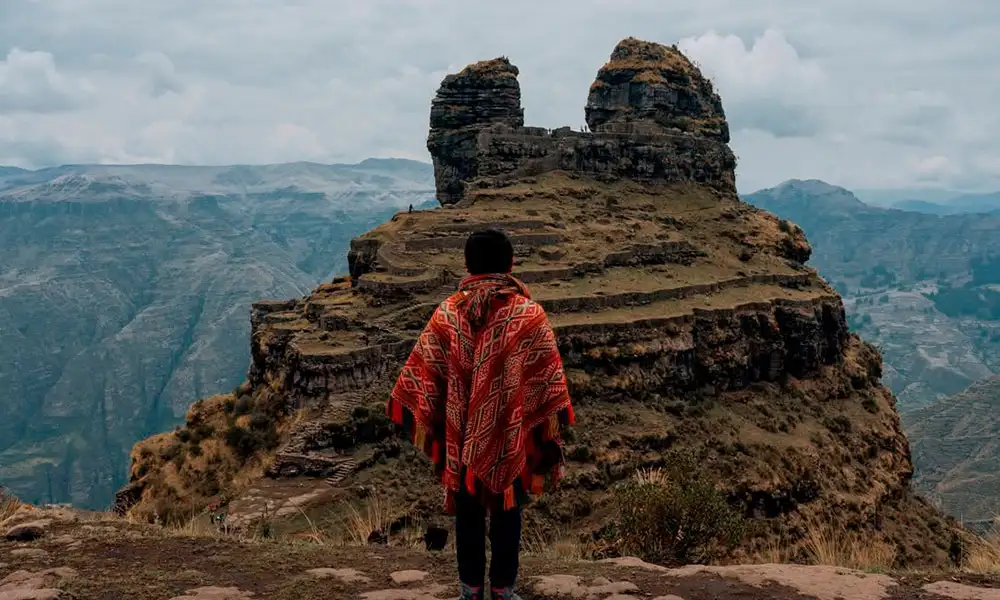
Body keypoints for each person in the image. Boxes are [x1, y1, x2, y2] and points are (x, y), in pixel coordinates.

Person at [387, 229, 574, 600]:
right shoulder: (529, 315)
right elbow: (547, 381)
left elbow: (422, 374)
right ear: (510, 264)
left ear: (468, 265)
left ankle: (469, 590)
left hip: (461, 437)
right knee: (509, 507)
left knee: (468, 509)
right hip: (510, 433)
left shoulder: (447, 313)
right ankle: (503, 589)